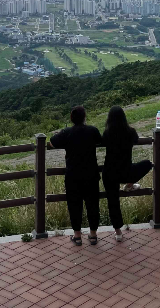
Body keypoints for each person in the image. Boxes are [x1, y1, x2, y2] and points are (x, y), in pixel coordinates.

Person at [49, 105, 103, 246]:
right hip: (91, 174)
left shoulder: (67, 132)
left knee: (74, 205)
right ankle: (93, 235)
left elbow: (52, 142)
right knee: (93, 205)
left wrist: (60, 133)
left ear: (71, 118)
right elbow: (100, 140)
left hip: (73, 176)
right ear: (84, 117)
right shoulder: (92, 130)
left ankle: (77, 236)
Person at [101, 106, 152, 241]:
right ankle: (129, 185)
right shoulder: (130, 132)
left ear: (109, 118)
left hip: (109, 173)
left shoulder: (107, 133)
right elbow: (136, 139)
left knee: (113, 202)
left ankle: (118, 233)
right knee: (147, 164)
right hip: (126, 172)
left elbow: (102, 142)